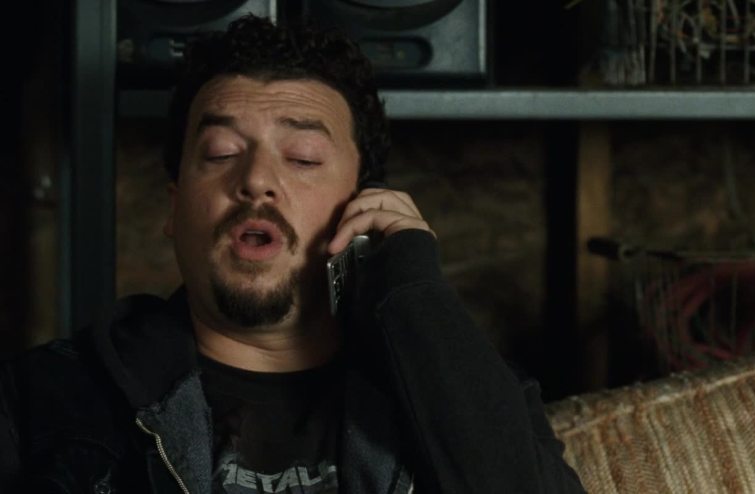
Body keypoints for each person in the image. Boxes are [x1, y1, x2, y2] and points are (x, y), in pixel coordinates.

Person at [0, 15, 585, 494]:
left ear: (363, 206)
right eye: (221, 153)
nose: (257, 180)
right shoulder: (43, 396)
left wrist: (413, 286)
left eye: (303, 158)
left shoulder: (461, 390)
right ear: (175, 209)